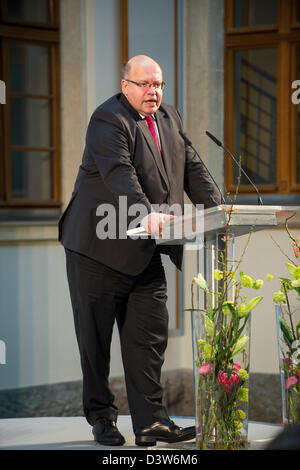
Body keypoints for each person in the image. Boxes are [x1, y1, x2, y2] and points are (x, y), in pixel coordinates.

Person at [59, 55, 221, 447]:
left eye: (159, 84)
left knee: (148, 340)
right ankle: (102, 419)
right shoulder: (108, 119)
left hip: (144, 248)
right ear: (126, 85)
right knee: (95, 343)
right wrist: (145, 212)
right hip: (96, 249)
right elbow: (119, 173)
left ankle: (151, 423)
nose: (154, 92)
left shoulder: (169, 117)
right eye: (146, 84)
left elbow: (192, 167)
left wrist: (220, 209)